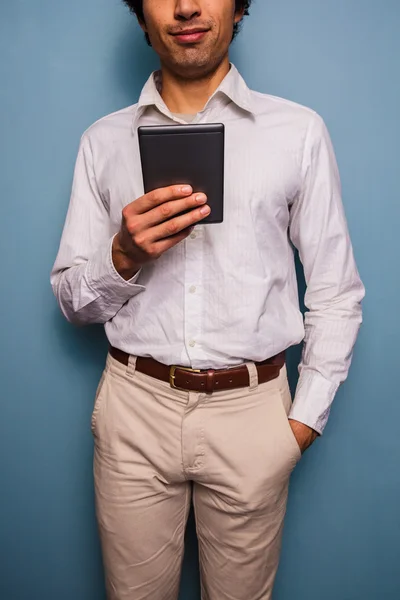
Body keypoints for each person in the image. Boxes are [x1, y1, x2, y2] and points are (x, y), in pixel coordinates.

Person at [51, 1, 365, 598]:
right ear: (141, 15)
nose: (187, 6)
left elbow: (335, 289)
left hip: (254, 415)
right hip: (134, 412)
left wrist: (301, 423)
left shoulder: (298, 131)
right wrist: (123, 254)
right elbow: (71, 302)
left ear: (239, 7)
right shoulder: (103, 141)